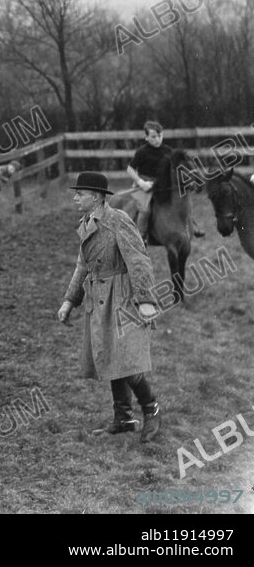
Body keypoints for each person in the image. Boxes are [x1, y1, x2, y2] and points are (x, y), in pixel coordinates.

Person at [57, 172, 162, 442]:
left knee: (126, 360)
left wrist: (146, 301)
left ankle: (151, 409)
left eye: (80, 194)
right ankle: (124, 417)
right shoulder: (86, 223)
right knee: (111, 358)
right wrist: (70, 301)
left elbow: (138, 260)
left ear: (97, 197)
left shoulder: (118, 221)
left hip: (123, 297)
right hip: (99, 299)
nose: (75, 197)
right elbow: (83, 265)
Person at [126, 121, 204, 244]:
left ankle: (190, 225)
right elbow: (130, 169)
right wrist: (141, 182)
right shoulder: (142, 152)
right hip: (145, 185)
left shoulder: (168, 151)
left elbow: (177, 168)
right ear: (146, 137)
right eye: (153, 137)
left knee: (182, 201)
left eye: (160, 136)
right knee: (145, 210)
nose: (157, 139)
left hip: (163, 184)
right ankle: (140, 237)